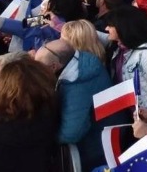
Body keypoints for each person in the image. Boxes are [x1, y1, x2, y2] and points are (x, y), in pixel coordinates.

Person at [33, 38, 118, 170]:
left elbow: (71, 133)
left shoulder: (77, 87)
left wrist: (44, 137)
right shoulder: (81, 61)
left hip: (96, 149)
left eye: (39, 66)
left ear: (54, 67)